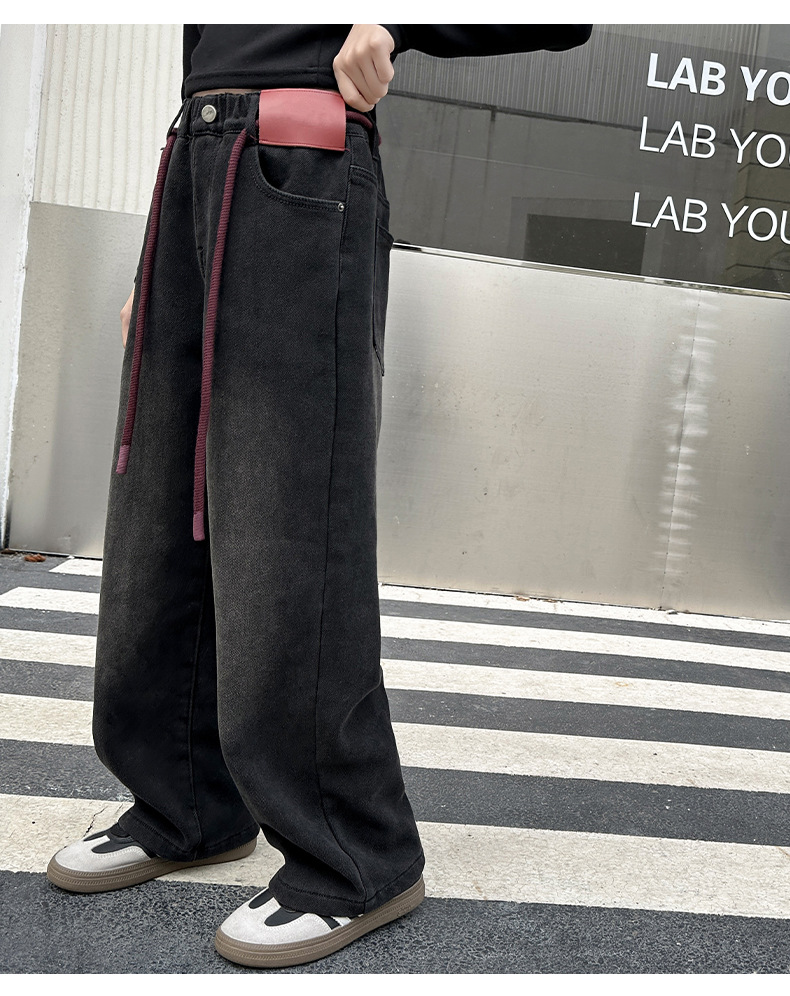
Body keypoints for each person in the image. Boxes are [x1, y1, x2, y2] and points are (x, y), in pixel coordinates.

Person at [46, 24, 593, 969]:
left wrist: (399, 17)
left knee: (286, 520)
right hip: (195, 161)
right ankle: (185, 804)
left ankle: (356, 853)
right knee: (158, 513)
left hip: (298, 157)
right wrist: (166, 244)